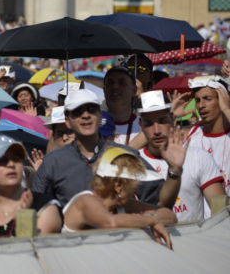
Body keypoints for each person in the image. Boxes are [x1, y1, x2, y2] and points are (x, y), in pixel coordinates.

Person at [32, 89, 180, 210]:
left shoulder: (126, 156)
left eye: (91, 109)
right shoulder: (52, 162)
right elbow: (35, 213)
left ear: (100, 115)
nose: (85, 115)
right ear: (67, 121)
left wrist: (174, 171)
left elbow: (162, 205)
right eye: (78, 111)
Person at [62, 146, 177, 249]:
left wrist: (152, 216)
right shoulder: (85, 200)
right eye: (134, 185)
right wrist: (151, 220)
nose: (136, 190)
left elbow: (171, 217)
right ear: (118, 186)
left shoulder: (124, 205)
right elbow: (110, 223)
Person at [137, 90, 225, 221]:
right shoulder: (132, 163)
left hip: (193, 240)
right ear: (140, 125)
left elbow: (220, 208)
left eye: (162, 121)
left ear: (173, 119)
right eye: (148, 123)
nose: (156, 131)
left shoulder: (198, 157)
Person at [0, 136, 61, 238]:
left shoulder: (45, 207)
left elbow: (32, 251)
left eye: (16, 159)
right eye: (2, 160)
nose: (11, 164)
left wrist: (24, 219)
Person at [186, 75, 230, 197]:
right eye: (198, 100)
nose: (201, 105)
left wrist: (226, 108)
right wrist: (171, 114)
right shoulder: (190, 134)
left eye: (207, 98)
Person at [103, 66, 145, 148]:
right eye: (110, 83)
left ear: (134, 91)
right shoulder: (94, 125)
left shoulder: (144, 125)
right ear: (104, 91)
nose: (115, 86)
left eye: (122, 83)